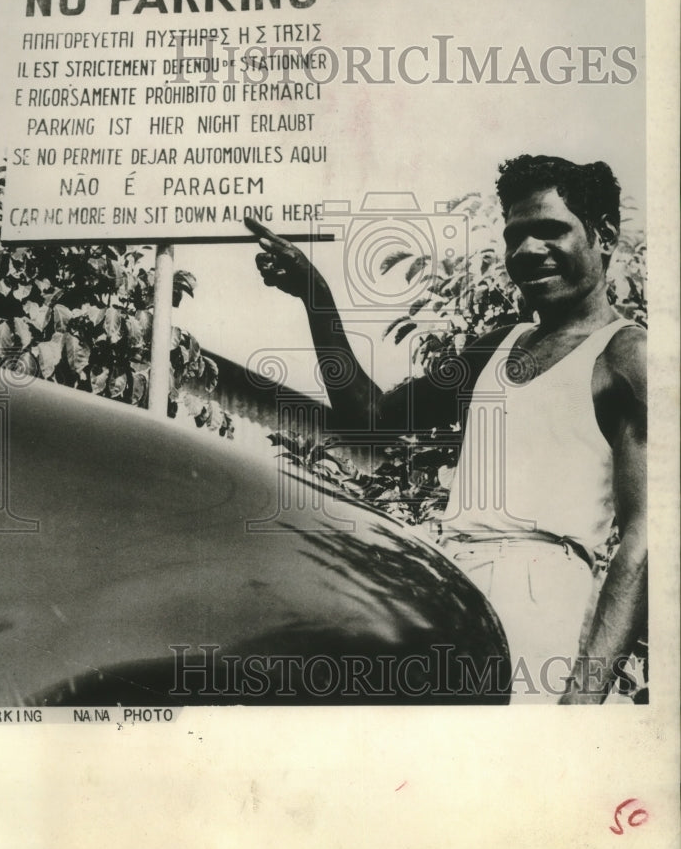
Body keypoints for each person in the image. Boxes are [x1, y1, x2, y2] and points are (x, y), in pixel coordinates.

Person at [246, 154, 647, 704]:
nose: (527, 251)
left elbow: (645, 539)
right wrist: (316, 296)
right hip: (452, 591)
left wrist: (583, 698)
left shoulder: (626, 357)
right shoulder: (496, 348)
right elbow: (374, 423)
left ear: (603, 235)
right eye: (515, 236)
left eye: (551, 231)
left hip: (543, 607)